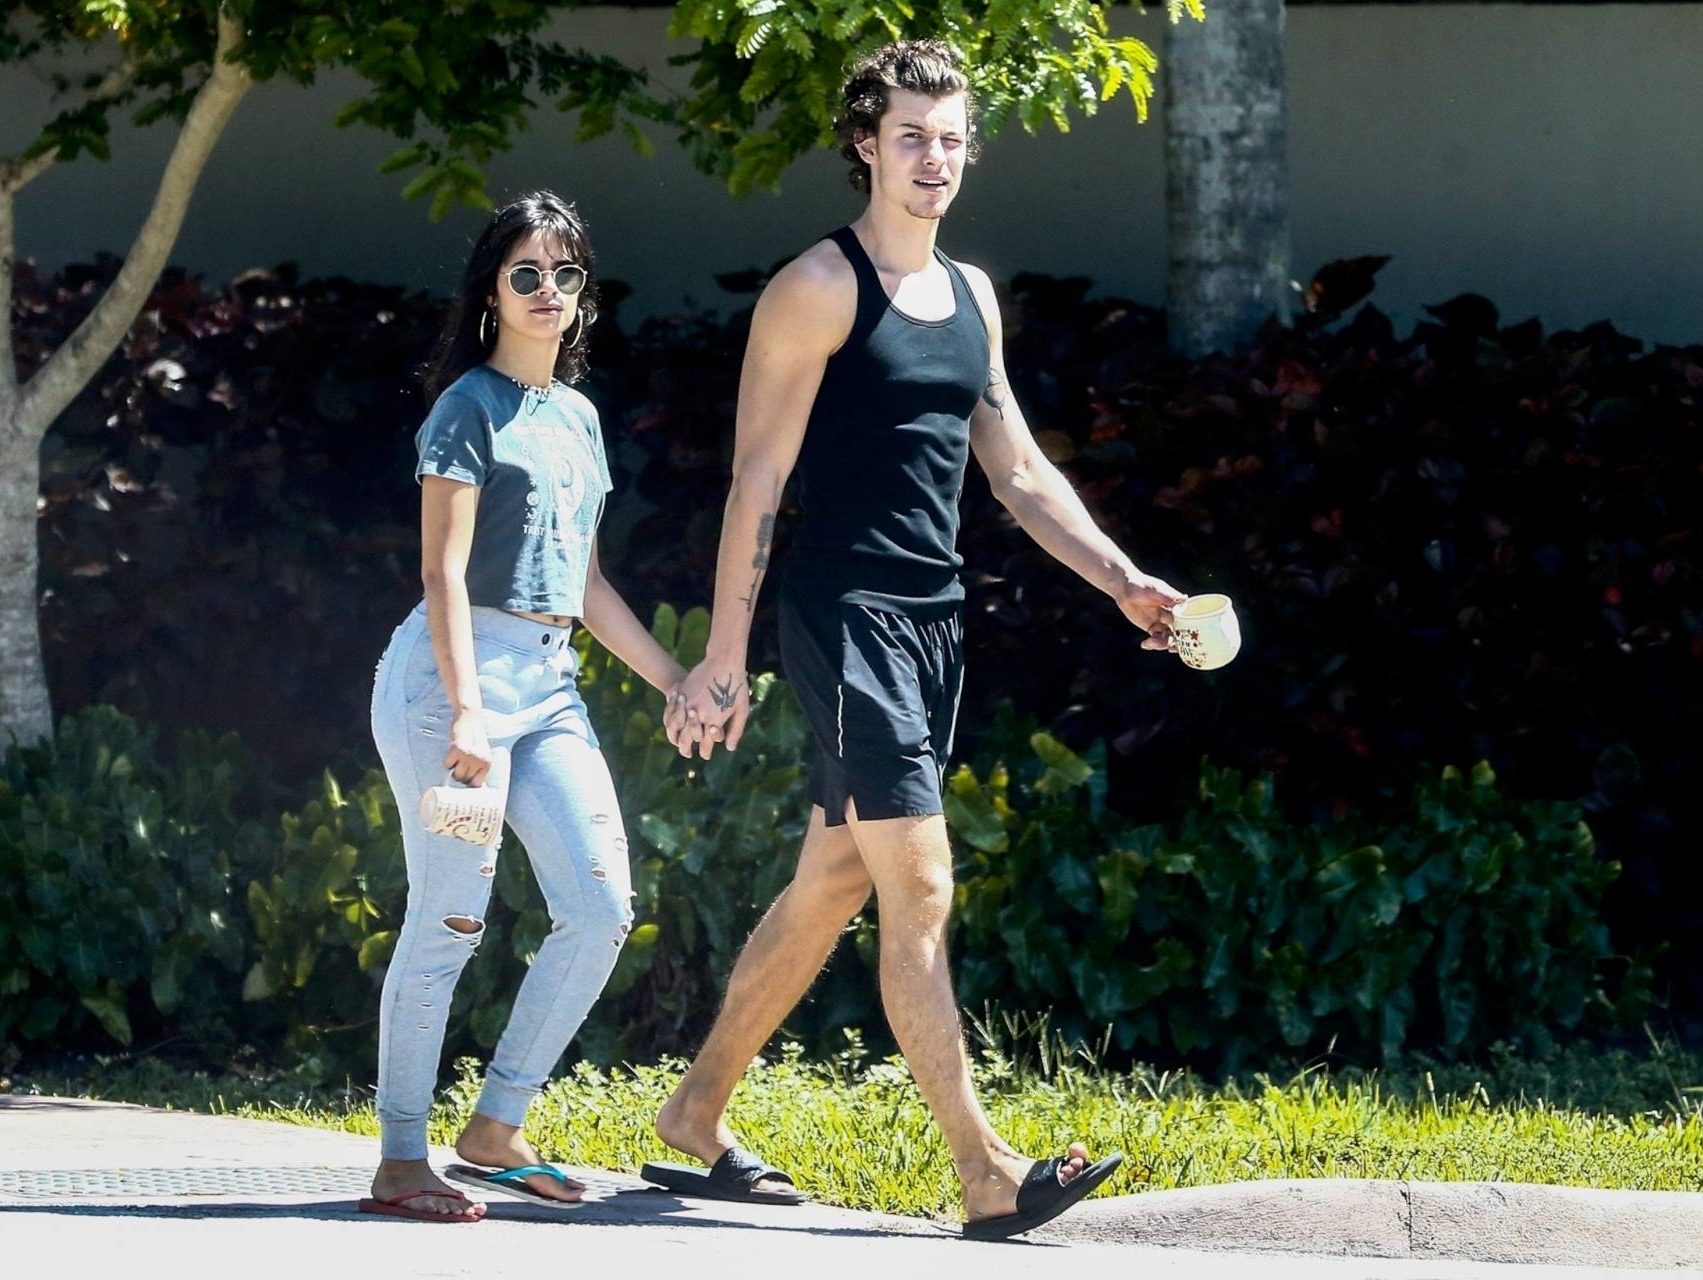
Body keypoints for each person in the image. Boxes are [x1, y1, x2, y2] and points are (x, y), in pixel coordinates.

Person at [647, 43, 1190, 1241]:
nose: (934, 158)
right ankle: (987, 1170)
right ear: (865, 144)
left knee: (835, 878)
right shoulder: (818, 288)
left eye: (950, 138)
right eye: (911, 136)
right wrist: (725, 654)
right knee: (922, 881)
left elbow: (1018, 468)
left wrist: (1121, 580)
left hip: (933, 618)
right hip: (843, 616)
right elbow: (756, 478)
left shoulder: (972, 297)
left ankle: (695, 1109)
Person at [362, 191, 684, 1223]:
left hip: (548, 689)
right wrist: (466, 711)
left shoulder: (577, 418)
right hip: (449, 689)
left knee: (600, 906)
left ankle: (496, 1126)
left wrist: (675, 681)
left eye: (566, 274)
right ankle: (401, 1160)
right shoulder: (467, 407)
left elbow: (584, 586)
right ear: (492, 292)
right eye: (527, 274)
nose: (550, 291)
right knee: (451, 917)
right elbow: (443, 572)